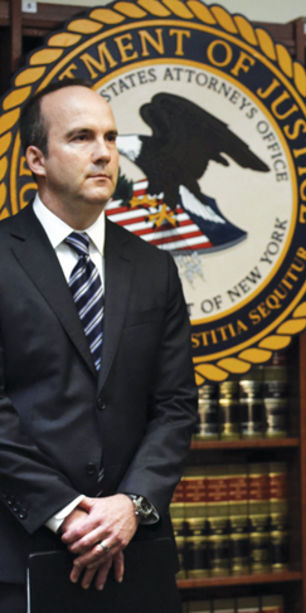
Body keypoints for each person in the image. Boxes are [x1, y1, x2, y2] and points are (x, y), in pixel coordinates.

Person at [0, 80, 197, 611]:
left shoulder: (155, 267)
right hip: (21, 551)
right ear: (36, 160)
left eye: (110, 137)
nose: (105, 153)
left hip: (137, 549)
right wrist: (67, 512)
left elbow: (176, 405)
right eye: (81, 137)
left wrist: (131, 504)